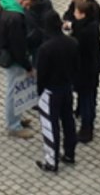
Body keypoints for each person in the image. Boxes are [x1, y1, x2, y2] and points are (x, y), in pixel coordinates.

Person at [34, 10, 78, 174]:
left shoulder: (45, 49)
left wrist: (40, 92)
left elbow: (42, 74)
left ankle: (51, 161)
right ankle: (70, 153)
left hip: (51, 91)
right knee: (68, 121)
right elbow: (76, 66)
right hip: (67, 88)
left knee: (50, 126)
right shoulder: (72, 42)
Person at [0, 0, 35, 138]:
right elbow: (18, 46)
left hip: (5, 52)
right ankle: (14, 125)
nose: (28, 7)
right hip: (14, 58)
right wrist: (28, 65)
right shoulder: (16, 18)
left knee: (16, 88)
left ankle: (17, 118)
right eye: (27, 3)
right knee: (14, 90)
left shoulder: (5, 5)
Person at [65, 0, 100, 143]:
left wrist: (71, 26)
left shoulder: (87, 30)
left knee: (88, 98)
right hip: (86, 68)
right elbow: (68, 14)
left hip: (86, 69)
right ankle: (81, 112)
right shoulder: (85, 24)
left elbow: (78, 42)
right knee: (84, 96)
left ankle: (87, 128)